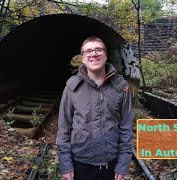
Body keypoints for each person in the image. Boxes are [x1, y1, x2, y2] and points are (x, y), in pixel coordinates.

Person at [56, 36, 133, 180]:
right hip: (80, 163)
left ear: (105, 55)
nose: (94, 54)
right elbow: (64, 128)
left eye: (98, 50)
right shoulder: (72, 87)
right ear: (83, 58)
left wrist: (123, 164)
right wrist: (65, 165)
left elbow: (126, 128)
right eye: (88, 51)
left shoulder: (121, 87)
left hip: (111, 164)